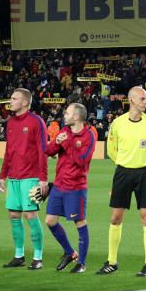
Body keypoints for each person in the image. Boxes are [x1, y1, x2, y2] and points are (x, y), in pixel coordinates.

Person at [97, 86, 146, 276]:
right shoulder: (117, 124)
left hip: (144, 173)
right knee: (116, 217)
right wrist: (123, 161)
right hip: (123, 173)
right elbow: (111, 148)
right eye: (142, 99)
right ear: (132, 100)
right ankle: (112, 261)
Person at [0, 88, 48, 271]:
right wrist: (2, 175)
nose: (10, 101)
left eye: (14, 98)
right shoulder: (10, 122)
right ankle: (19, 255)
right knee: (13, 215)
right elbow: (8, 151)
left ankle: (38, 257)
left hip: (32, 177)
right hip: (14, 177)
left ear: (25, 103)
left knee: (30, 215)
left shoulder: (36, 122)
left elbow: (43, 151)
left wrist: (43, 179)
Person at [46, 102, 96, 274]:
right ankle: (69, 252)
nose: (64, 115)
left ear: (76, 116)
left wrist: (66, 143)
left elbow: (82, 161)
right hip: (59, 185)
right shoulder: (64, 132)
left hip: (76, 187)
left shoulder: (89, 136)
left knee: (80, 222)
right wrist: (56, 142)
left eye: (67, 113)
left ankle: (81, 263)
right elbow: (48, 151)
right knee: (50, 221)